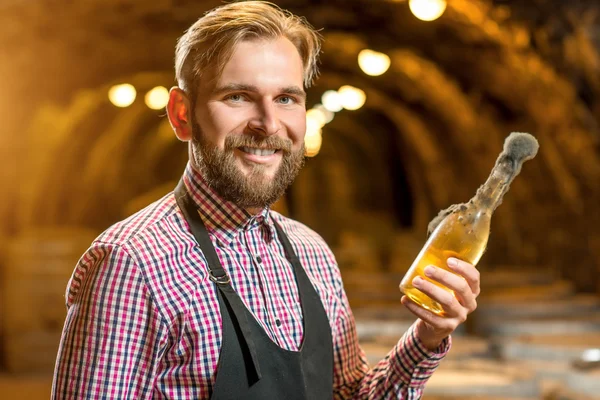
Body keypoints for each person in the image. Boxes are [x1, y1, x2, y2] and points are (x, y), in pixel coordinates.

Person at [52, 1, 480, 399]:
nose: (269, 124)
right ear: (183, 114)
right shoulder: (131, 265)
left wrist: (427, 337)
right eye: (237, 96)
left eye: (286, 99)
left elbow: (348, 394)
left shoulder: (312, 253)